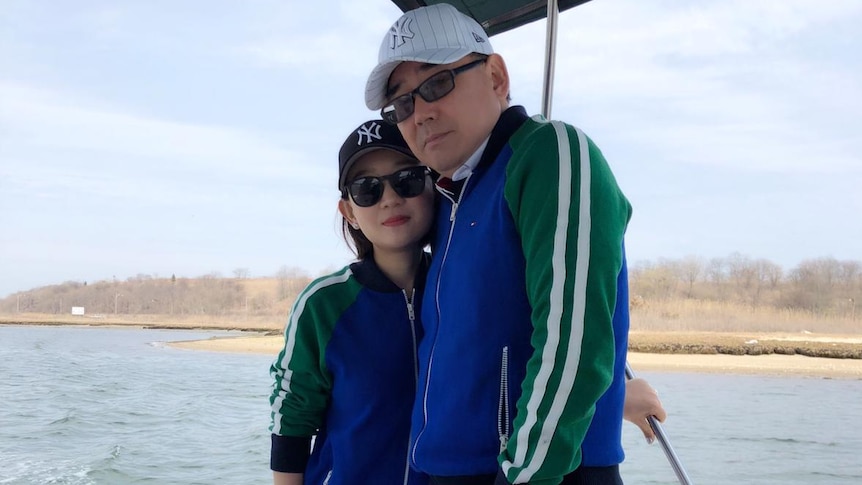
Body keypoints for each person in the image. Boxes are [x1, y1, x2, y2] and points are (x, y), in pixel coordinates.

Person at [364, 3, 642, 484]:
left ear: (495, 76)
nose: (421, 113)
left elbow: (573, 342)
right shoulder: (449, 203)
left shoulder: (551, 153)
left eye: (436, 83)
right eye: (403, 104)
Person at [268, 119, 434, 485]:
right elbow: (292, 418)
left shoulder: (459, 289)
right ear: (349, 212)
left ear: (432, 185)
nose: (390, 198)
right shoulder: (323, 304)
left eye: (406, 178)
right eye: (367, 189)